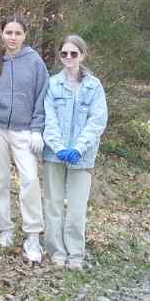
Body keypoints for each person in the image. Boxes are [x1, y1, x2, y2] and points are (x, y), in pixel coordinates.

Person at [0, 15, 49, 261]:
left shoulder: (34, 61)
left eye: (17, 33)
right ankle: (4, 230)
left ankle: (33, 236)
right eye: (8, 32)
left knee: (30, 181)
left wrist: (37, 129)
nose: (12, 37)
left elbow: (42, 95)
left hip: (24, 131)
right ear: (2, 34)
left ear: (24, 35)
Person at [41, 35, 107, 270]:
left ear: (83, 55)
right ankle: (56, 251)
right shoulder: (52, 84)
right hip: (54, 155)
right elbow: (48, 120)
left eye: (73, 53)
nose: (68, 58)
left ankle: (75, 254)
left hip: (83, 157)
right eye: (64, 54)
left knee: (77, 208)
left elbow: (97, 121)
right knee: (53, 204)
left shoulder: (94, 86)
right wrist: (59, 148)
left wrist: (78, 148)